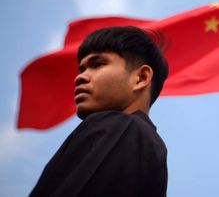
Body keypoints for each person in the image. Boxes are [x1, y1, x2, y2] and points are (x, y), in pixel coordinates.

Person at [29, 26, 169, 197]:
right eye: (82, 69)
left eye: (98, 64)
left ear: (141, 78)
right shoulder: (150, 146)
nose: (80, 77)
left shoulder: (124, 127)